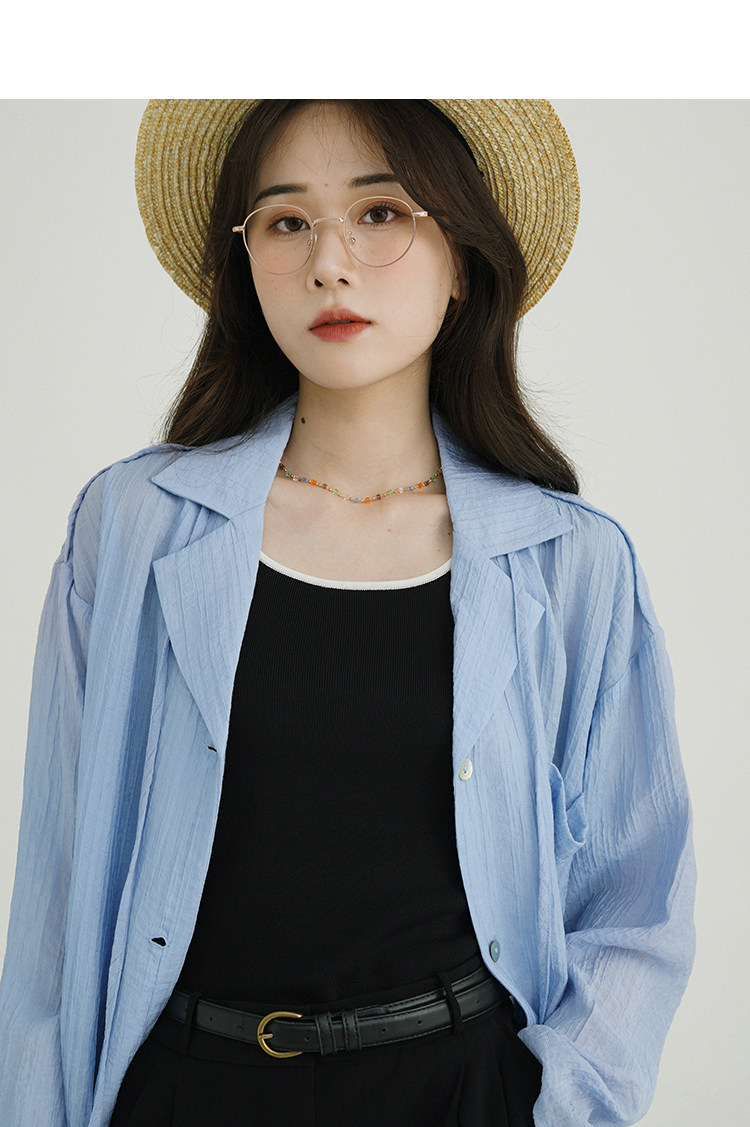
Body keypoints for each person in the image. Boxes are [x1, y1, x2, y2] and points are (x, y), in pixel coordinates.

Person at [0, 100, 696, 1127]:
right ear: (247, 261)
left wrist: (557, 1106)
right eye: (287, 222)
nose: (330, 263)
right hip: (188, 1093)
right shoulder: (133, 526)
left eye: (380, 213)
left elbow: (637, 903)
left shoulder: (570, 562)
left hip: (463, 1094)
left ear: (462, 261)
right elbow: (56, 906)